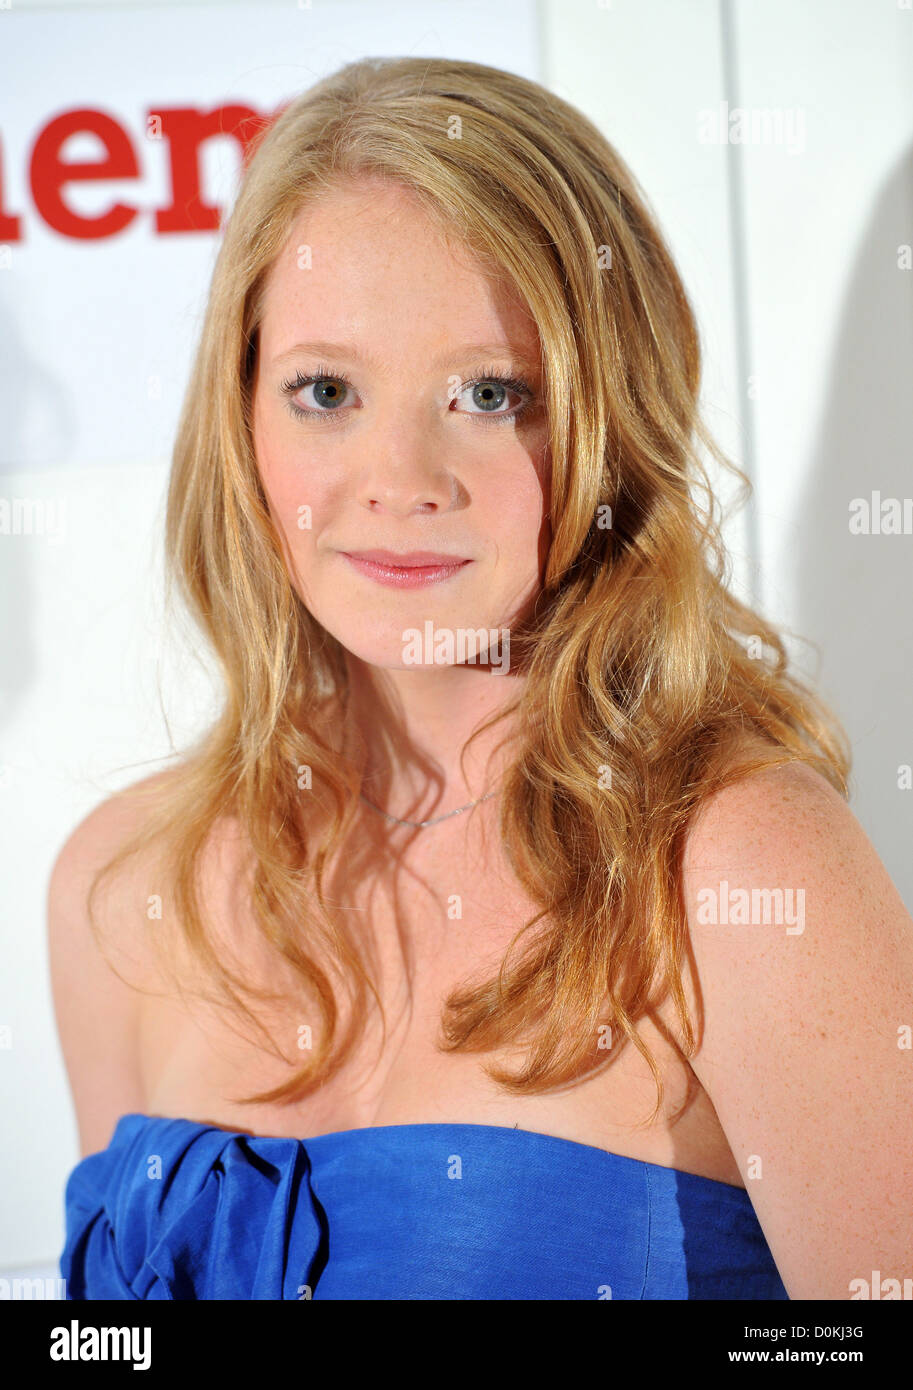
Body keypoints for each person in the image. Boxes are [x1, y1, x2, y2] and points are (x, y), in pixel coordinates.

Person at [49, 55, 913, 1301]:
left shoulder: (741, 871)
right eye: (326, 390)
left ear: (610, 421)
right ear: (240, 416)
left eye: (490, 392)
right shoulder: (120, 888)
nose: (401, 477)